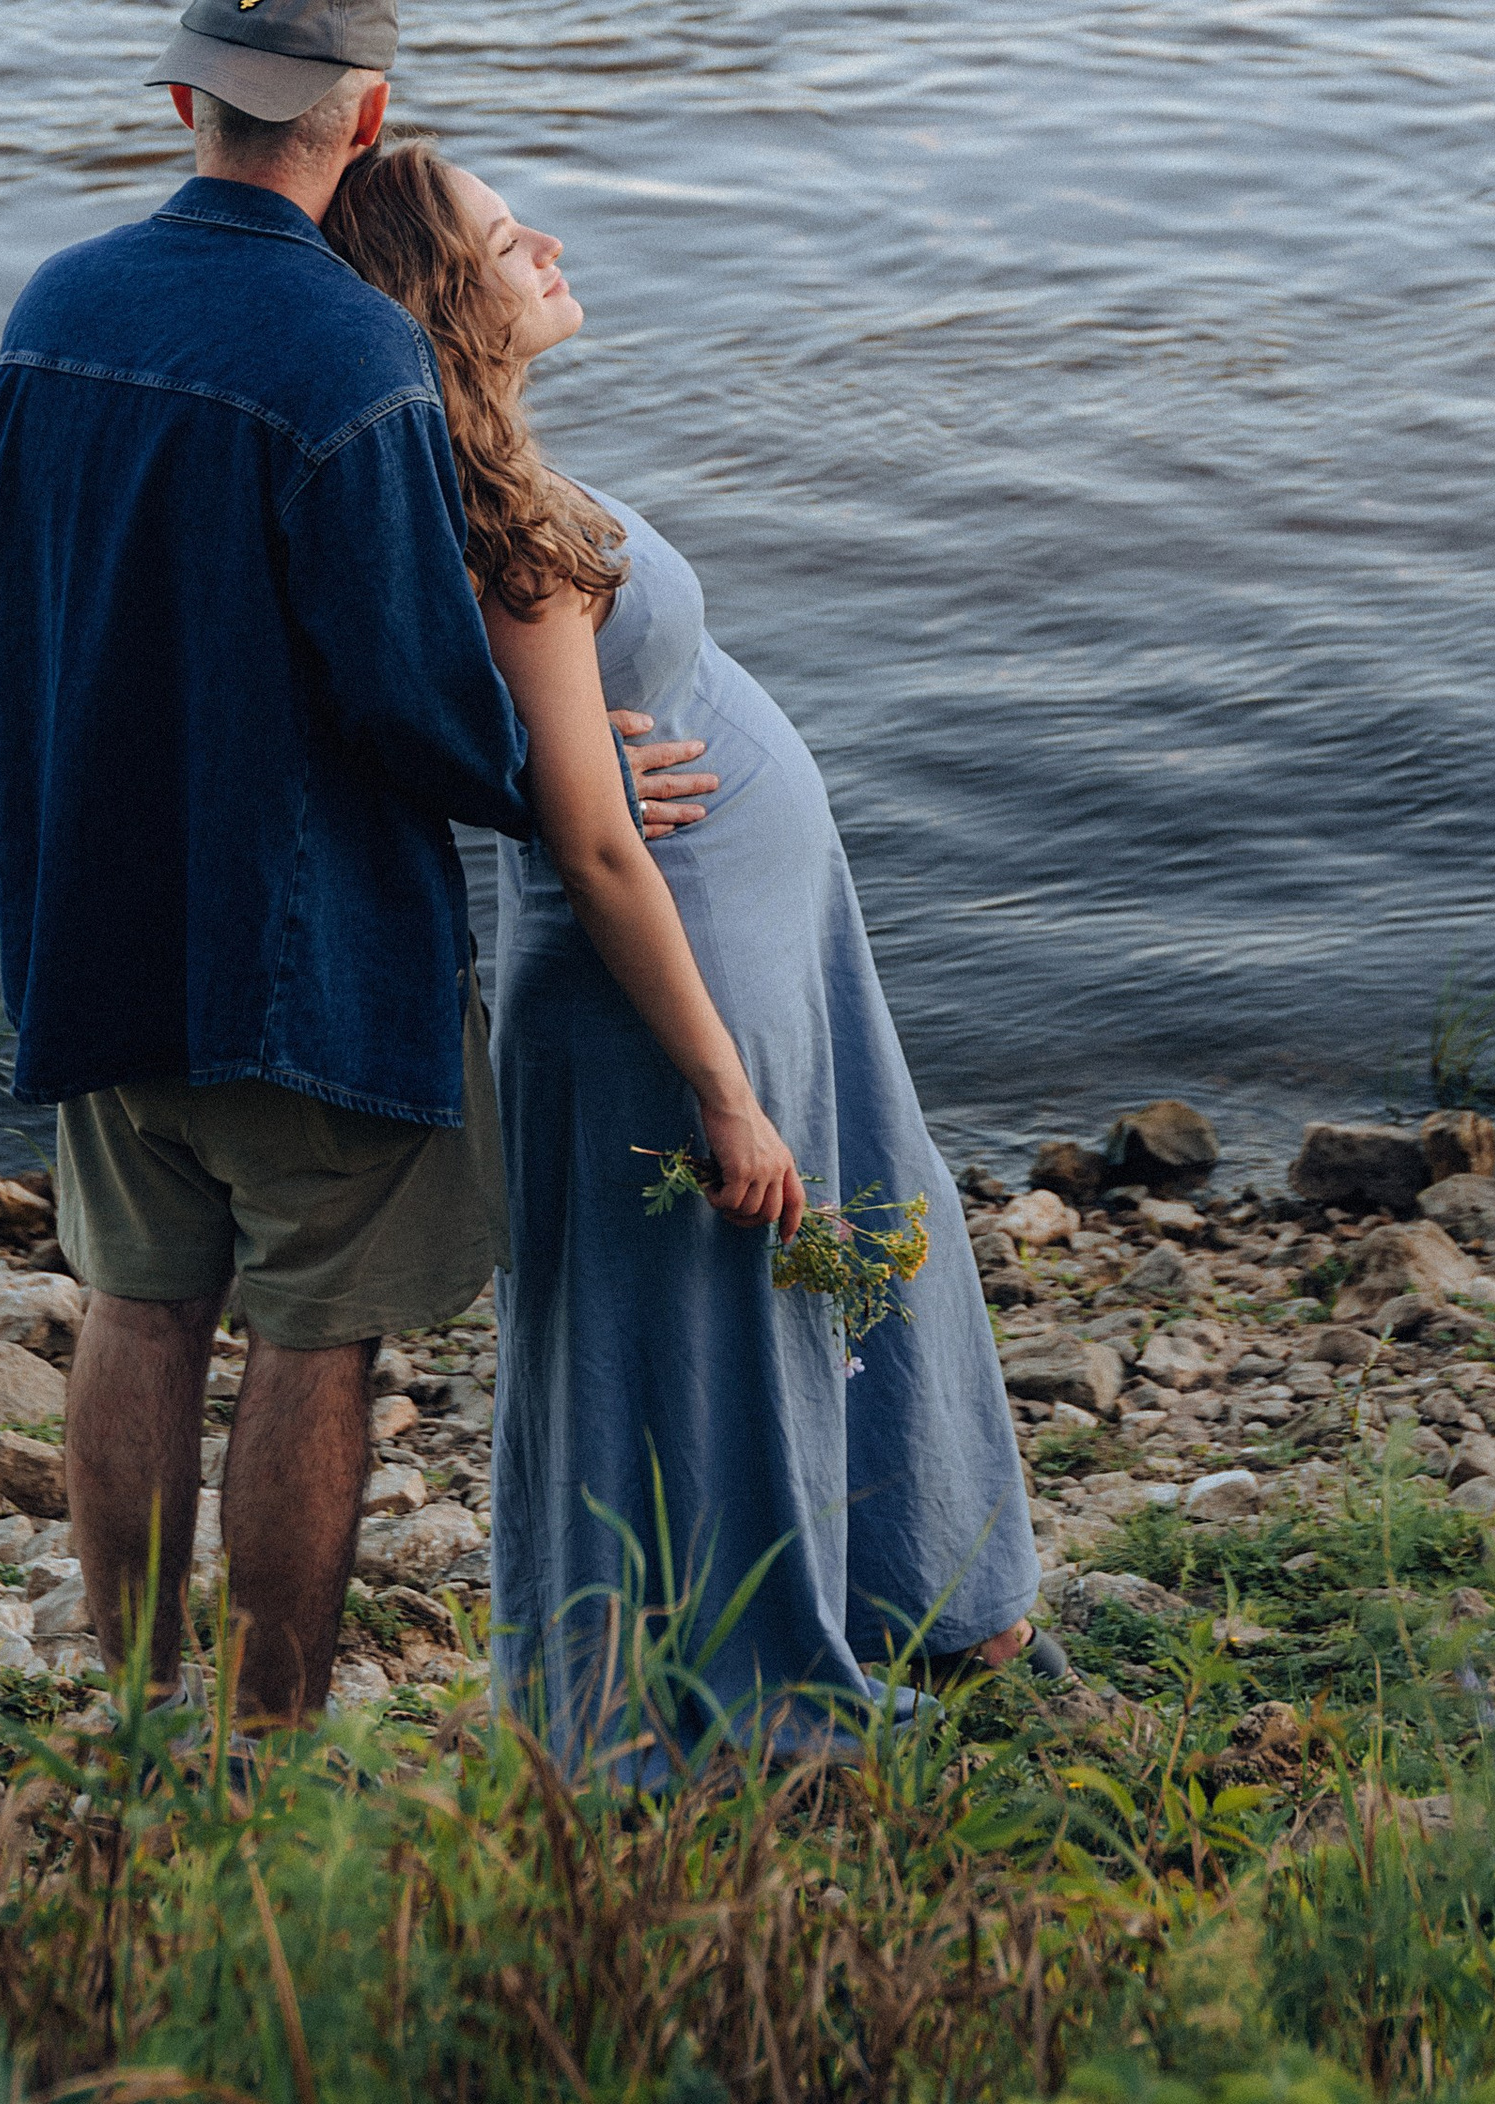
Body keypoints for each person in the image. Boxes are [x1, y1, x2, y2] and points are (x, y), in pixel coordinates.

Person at [0, 0, 804, 1725]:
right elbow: (416, 699)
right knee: (310, 1336)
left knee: (135, 1307)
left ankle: (131, 1718)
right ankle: (267, 1743)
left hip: (95, 920)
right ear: (363, 120)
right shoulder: (354, 358)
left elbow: (26, 625)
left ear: (191, 97)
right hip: (308, 955)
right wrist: (560, 788)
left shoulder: (51, 309)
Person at [326, 139, 1055, 1769]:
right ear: (449, 298)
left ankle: (928, 1591)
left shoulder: (500, 473)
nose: (551, 252)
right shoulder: (491, 524)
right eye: (514, 246)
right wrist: (720, 1085)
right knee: (703, 1331)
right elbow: (589, 843)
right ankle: (697, 1703)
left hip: (770, 939)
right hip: (672, 987)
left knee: (867, 1221)